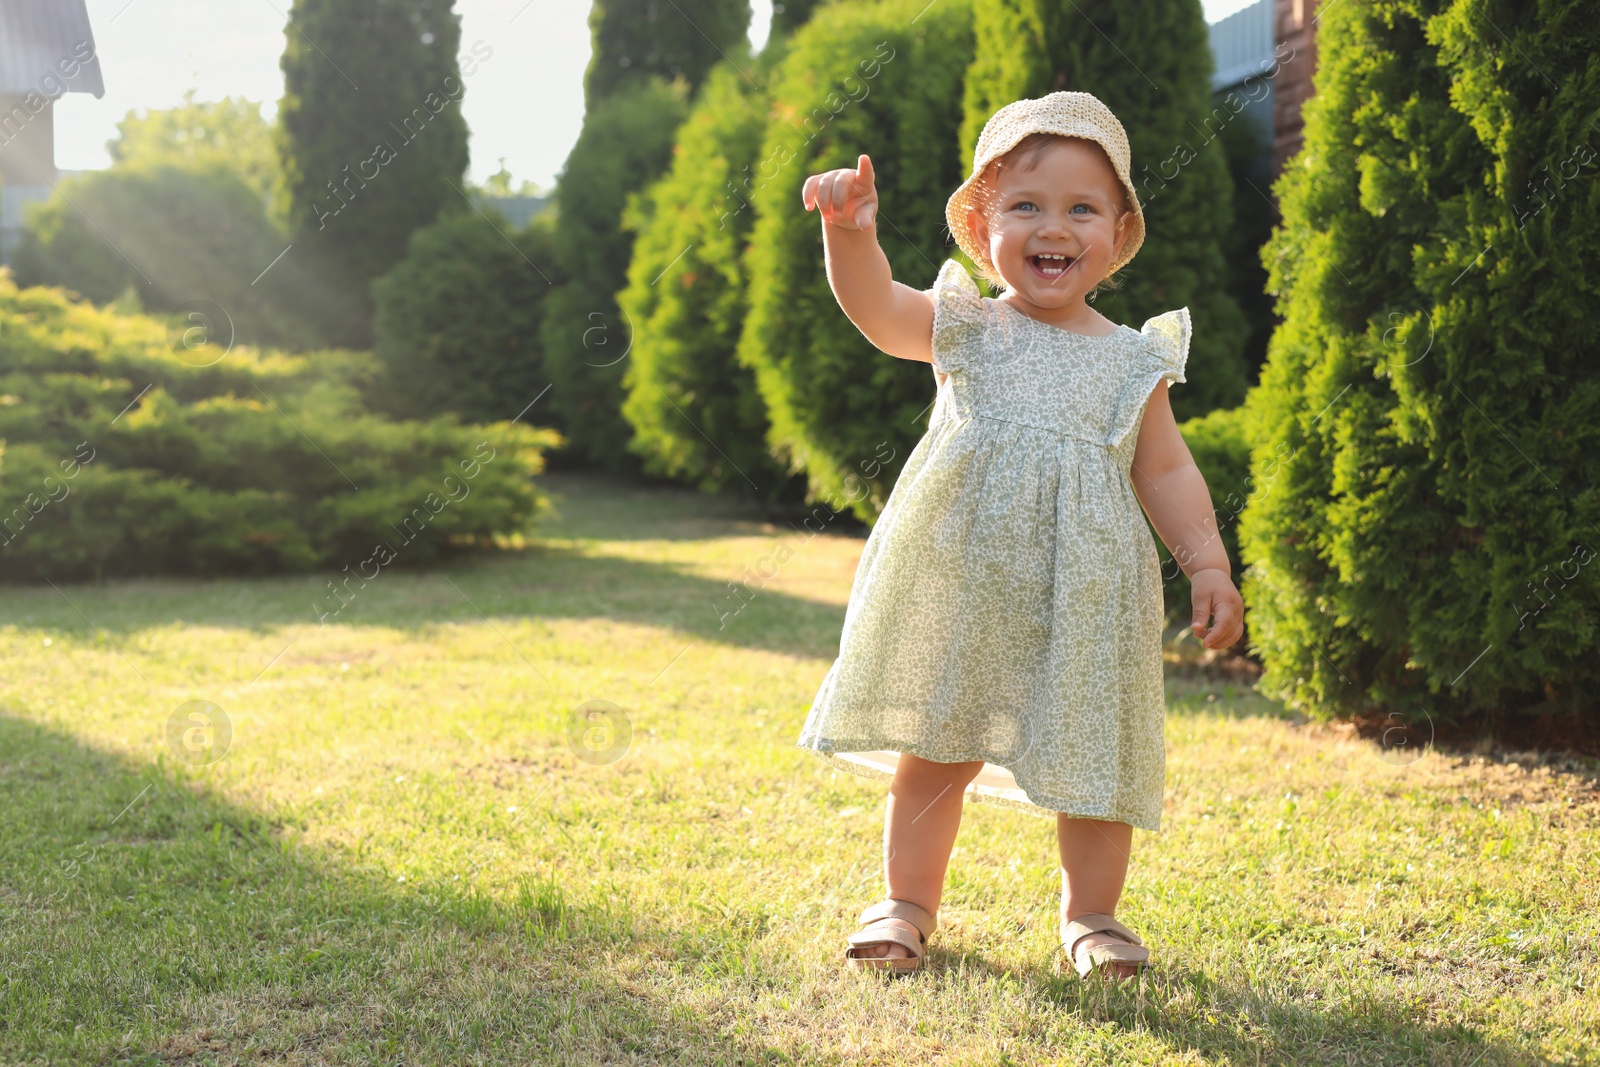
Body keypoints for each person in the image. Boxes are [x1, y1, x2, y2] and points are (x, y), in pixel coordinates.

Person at [794, 91, 1244, 980]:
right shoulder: (968, 325)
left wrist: (1207, 560)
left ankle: (1094, 915)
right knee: (936, 746)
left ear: (1117, 236)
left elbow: (1166, 470)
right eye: (1027, 206)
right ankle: (906, 903)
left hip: (1086, 594)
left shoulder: (1130, 359)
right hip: (964, 581)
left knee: (1094, 756)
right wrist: (850, 236)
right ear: (984, 226)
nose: (1055, 226)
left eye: (1083, 208)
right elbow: (879, 310)